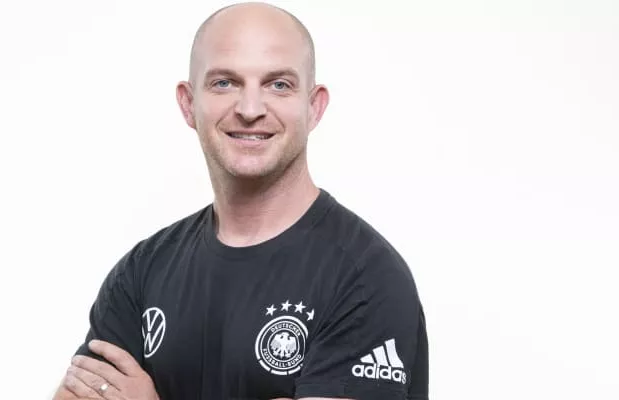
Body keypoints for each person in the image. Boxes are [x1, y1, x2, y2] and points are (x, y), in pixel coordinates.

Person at [53, 2, 429, 399]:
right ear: (188, 104)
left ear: (314, 107)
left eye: (278, 85)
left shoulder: (362, 278)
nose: (250, 109)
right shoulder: (144, 271)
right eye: (224, 83)